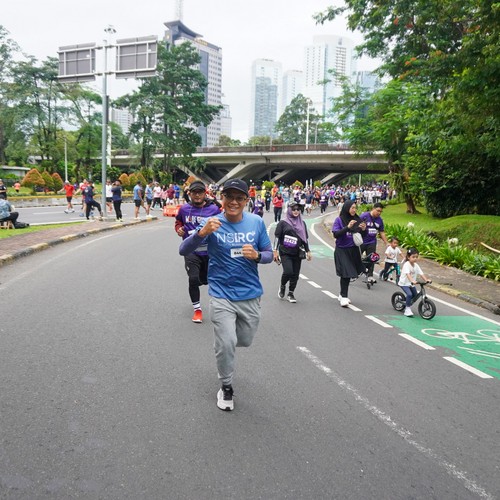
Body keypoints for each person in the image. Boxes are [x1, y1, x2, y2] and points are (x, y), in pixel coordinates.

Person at [179, 178, 273, 412]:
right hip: (221, 293)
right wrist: (201, 233)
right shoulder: (211, 223)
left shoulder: (256, 222)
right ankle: (226, 386)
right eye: (229, 197)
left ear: (246, 200)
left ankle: (225, 342)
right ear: (221, 199)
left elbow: (269, 254)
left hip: (250, 294)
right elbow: (183, 249)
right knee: (227, 342)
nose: (233, 202)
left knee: (245, 340)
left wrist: (257, 256)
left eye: (239, 198)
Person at [175, 180, 221, 323]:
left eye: (200, 192)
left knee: (206, 280)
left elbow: (223, 224)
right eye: (194, 192)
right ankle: (197, 310)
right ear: (189, 194)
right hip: (191, 250)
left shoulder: (214, 209)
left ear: (204, 193)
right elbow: (178, 222)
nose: (197, 195)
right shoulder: (184, 209)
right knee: (193, 279)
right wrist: (179, 229)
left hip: (209, 252)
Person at [273, 201, 312, 303]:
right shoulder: (283, 223)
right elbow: (277, 237)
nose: (296, 211)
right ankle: (282, 286)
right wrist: (275, 250)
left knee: (295, 274)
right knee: (288, 272)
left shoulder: (302, 223)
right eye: (293, 209)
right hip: (285, 252)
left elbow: (304, 239)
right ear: (289, 210)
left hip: (297, 252)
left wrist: (308, 251)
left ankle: (291, 293)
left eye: (298, 209)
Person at [332, 200, 367, 307]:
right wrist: (347, 227)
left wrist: (364, 229)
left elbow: (362, 236)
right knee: (346, 273)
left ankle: (341, 294)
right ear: (346, 208)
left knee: (351, 273)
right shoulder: (339, 220)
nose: (354, 210)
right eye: (352, 208)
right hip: (342, 250)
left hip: (353, 250)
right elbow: (336, 234)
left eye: (355, 208)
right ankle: (344, 296)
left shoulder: (357, 219)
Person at [360, 203, 389, 282]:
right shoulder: (364, 216)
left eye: (381, 211)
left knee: (372, 258)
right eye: (378, 211)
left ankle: (370, 275)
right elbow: (356, 226)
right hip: (362, 241)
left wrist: (386, 242)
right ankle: (356, 269)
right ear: (373, 209)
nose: (379, 213)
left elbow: (381, 232)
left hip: (372, 242)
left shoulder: (379, 220)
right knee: (356, 256)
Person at [398, 248, 431, 317]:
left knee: (415, 295)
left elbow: (421, 273)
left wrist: (426, 280)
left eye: (416, 257)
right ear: (408, 257)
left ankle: (404, 299)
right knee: (409, 294)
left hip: (411, 284)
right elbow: (408, 274)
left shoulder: (416, 265)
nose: (415, 258)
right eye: (413, 257)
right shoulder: (406, 265)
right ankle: (407, 309)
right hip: (404, 283)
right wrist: (412, 280)